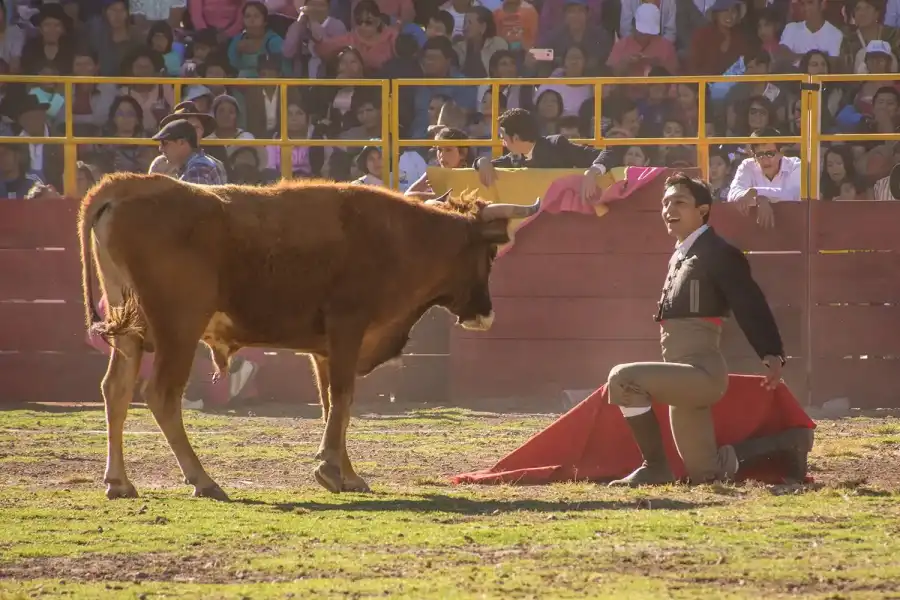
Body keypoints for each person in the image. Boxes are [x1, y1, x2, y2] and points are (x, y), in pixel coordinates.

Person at [606, 173, 812, 486]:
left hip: (701, 372)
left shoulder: (718, 251)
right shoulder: (682, 252)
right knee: (706, 474)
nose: (668, 209)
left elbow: (749, 301)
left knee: (623, 379)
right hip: (683, 373)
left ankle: (655, 467)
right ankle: (789, 444)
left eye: (679, 202)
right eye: (665, 203)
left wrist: (771, 352)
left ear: (703, 209)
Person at [474, 108, 616, 203]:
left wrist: (592, 173)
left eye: (503, 137)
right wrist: (482, 161)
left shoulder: (556, 145)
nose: (503, 142)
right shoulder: (516, 156)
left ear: (516, 138)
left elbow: (607, 153)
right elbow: (491, 164)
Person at [149, 101, 228, 183]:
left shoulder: (202, 167)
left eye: (195, 128)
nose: (190, 133)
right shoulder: (159, 165)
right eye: (182, 127)